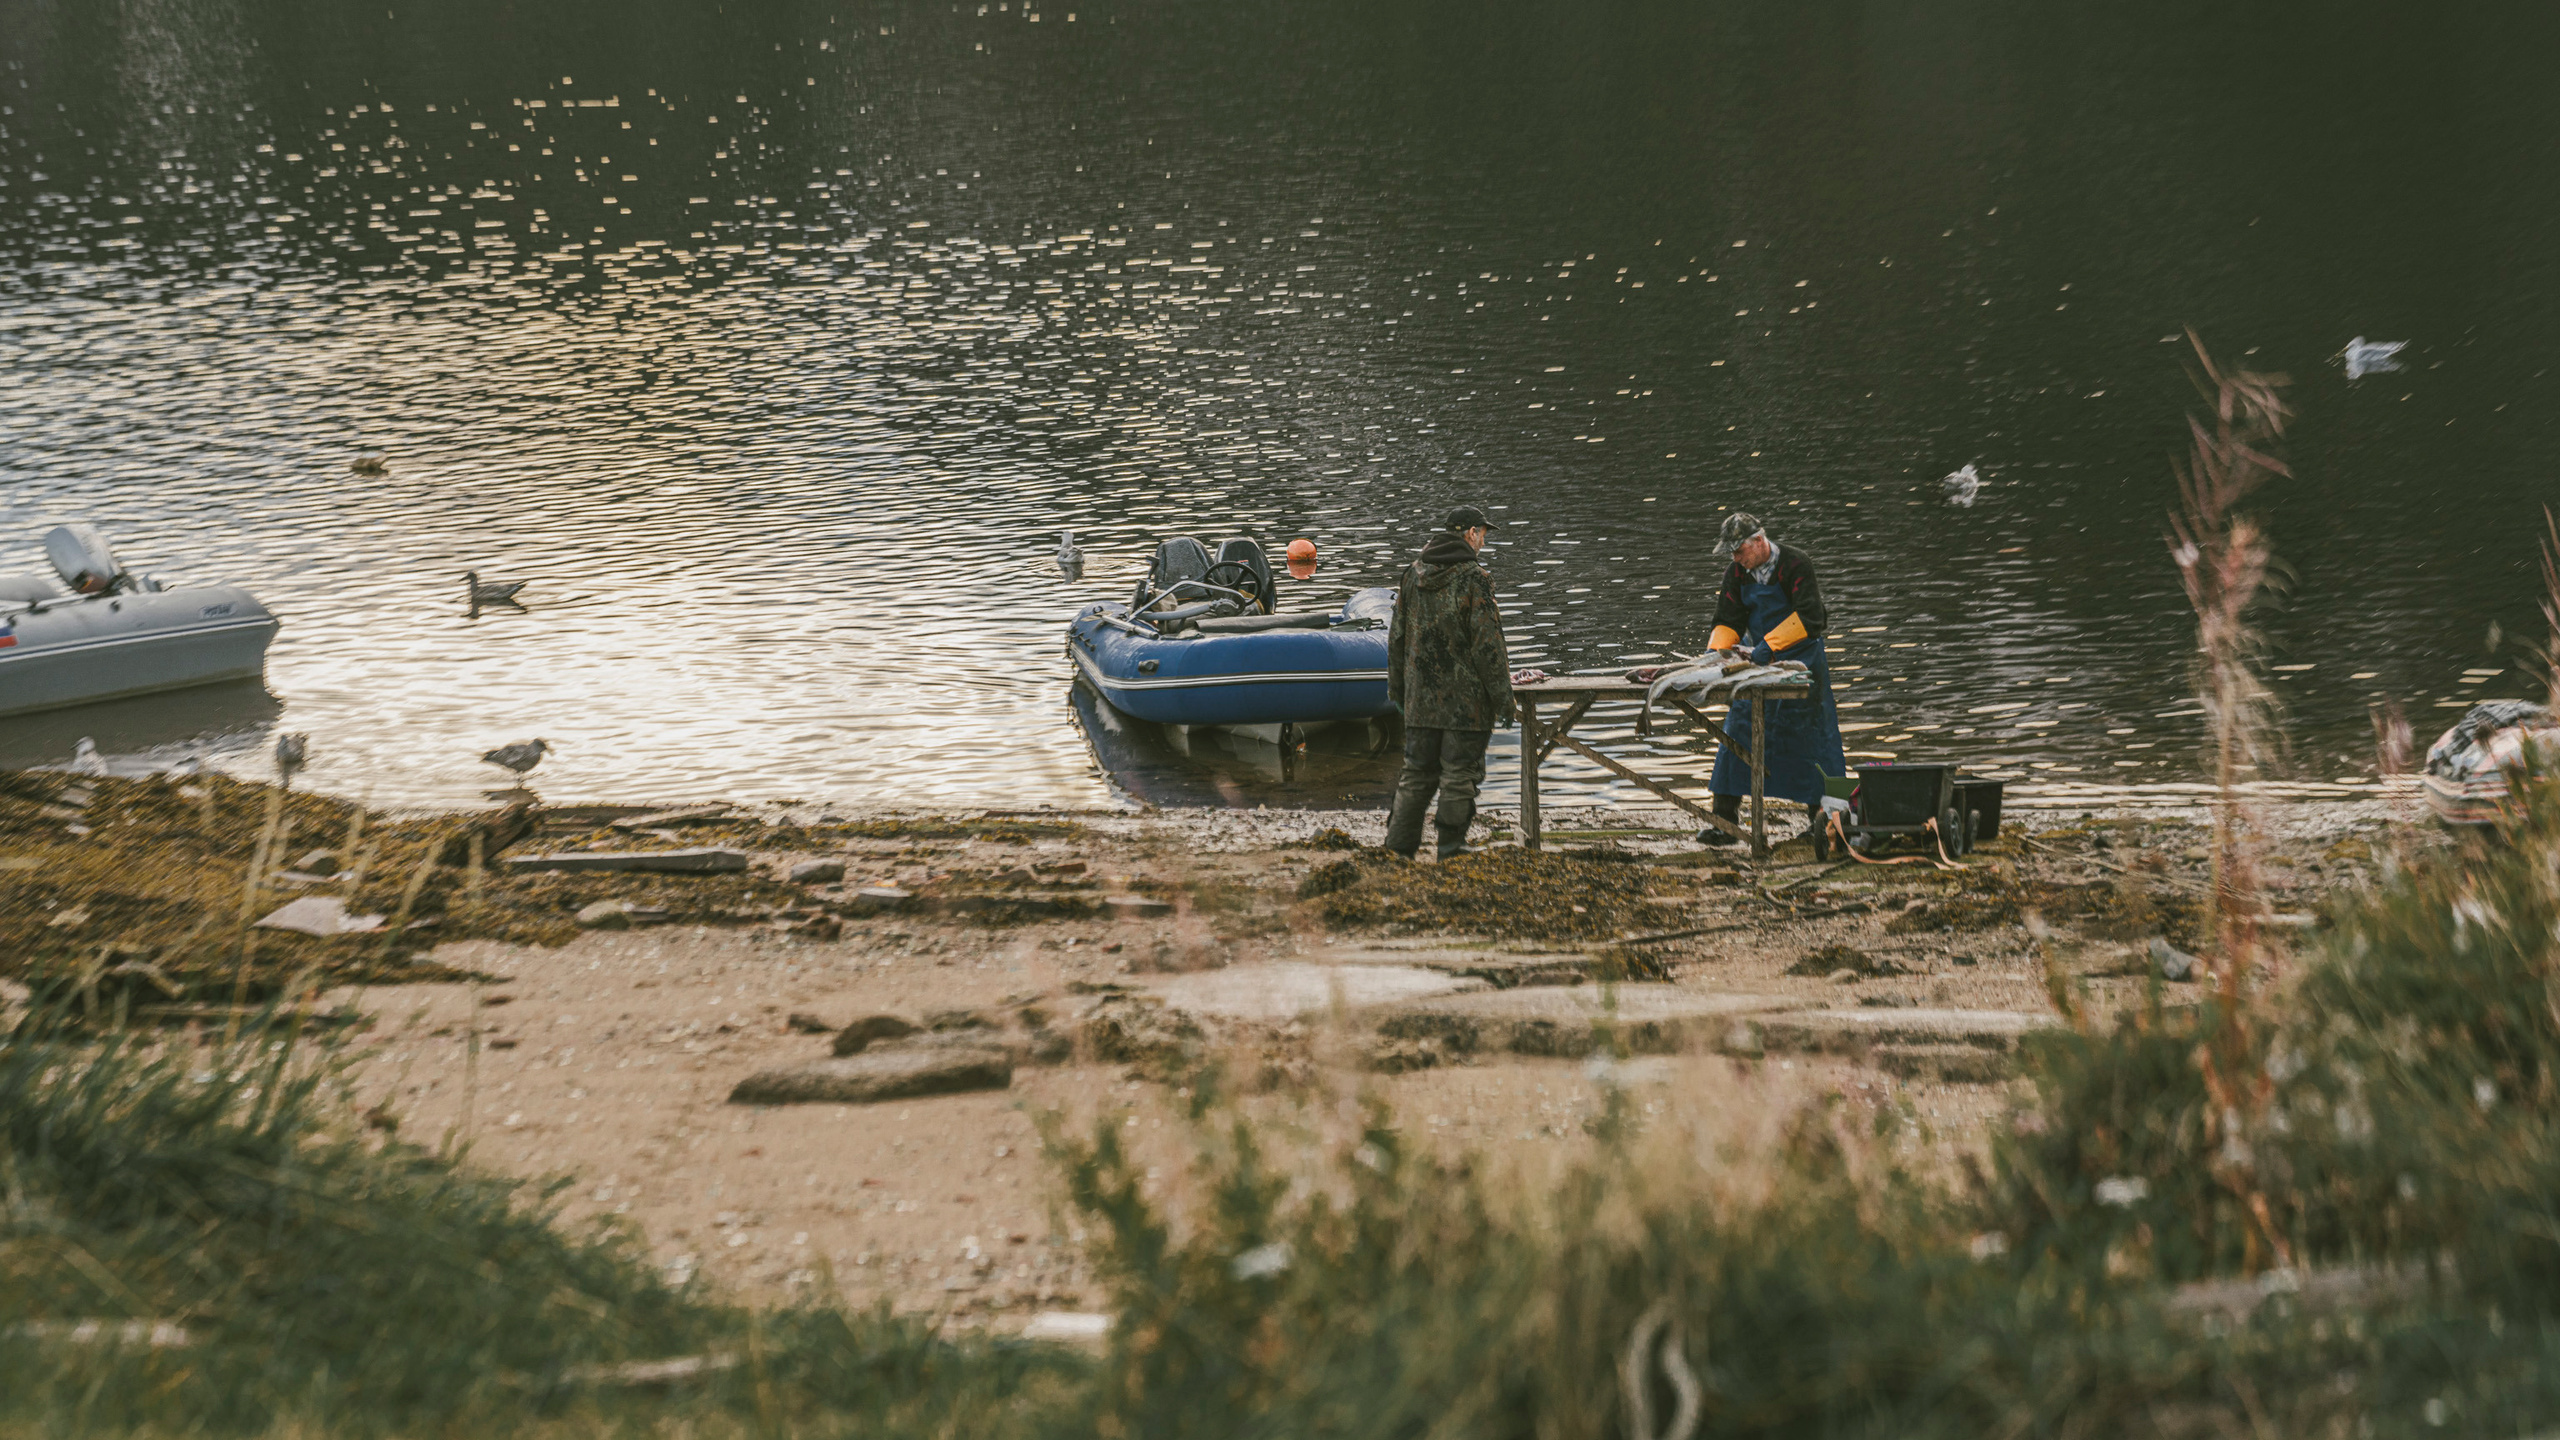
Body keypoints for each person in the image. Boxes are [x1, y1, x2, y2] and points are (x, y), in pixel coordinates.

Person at [1697, 511, 1846, 845]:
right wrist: (1714, 655)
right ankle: (1725, 823)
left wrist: (1767, 647)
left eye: (1739, 551)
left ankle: (1821, 822)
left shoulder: (1795, 564)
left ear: (1759, 541)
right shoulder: (1736, 573)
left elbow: (1811, 617)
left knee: (1812, 739)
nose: (1735, 559)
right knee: (1737, 732)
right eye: (1731, 553)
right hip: (1757, 662)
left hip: (1802, 660)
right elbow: (1728, 619)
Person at [1384, 505, 1514, 860]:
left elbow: (1396, 638)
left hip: (1420, 702)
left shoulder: (1412, 575)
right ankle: (1451, 848)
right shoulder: (1475, 578)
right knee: (1459, 775)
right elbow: (1489, 646)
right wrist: (1504, 700)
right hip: (1466, 706)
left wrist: (1398, 691)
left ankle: (1397, 851)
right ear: (1471, 533)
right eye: (1482, 534)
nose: (1483, 542)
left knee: (1416, 775)